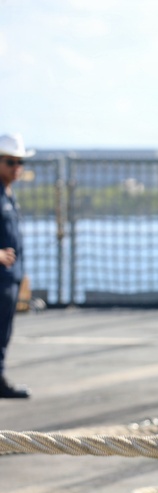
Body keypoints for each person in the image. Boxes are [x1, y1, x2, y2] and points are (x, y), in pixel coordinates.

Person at [0, 133, 32, 399]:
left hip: (10, 278)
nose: (16, 168)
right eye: (10, 162)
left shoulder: (8, 195)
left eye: (19, 162)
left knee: (3, 333)